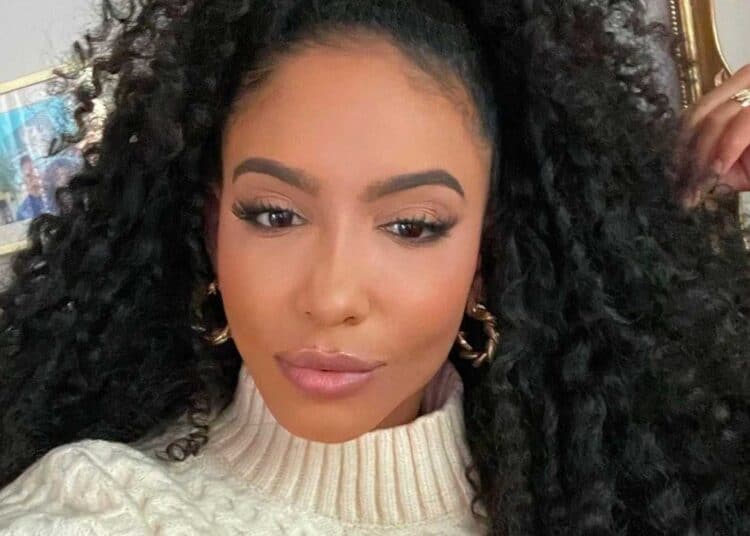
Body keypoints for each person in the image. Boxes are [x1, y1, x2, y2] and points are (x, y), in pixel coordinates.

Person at [0, 1, 748, 534]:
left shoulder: (634, 487)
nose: (331, 297)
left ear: (488, 255)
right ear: (211, 227)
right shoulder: (105, 508)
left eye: (411, 226)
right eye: (274, 215)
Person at [14, 155, 51, 220]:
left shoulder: (53, 198)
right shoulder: (22, 213)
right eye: (28, 175)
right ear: (23, 179)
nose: (32, 177)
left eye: (32, 170)